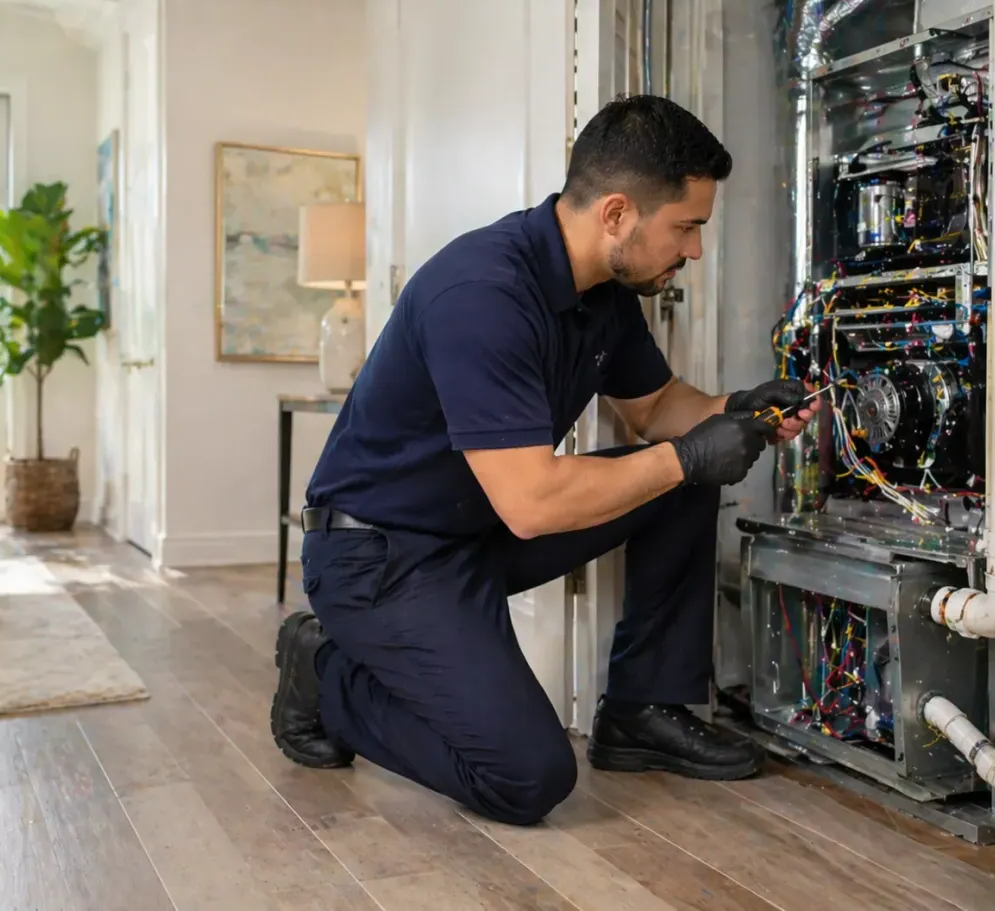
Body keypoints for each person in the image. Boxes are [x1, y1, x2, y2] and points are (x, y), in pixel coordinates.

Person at [270, 94, 819, 826]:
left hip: (477, 530)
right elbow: (533, 503)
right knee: (526, 777)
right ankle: (322, 670)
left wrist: (739, 410)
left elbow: (657, 408)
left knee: (682, 478)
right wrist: (690, 455)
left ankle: (641, 711)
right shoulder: (484, 294)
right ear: (617, 213)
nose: (693, 251)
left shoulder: (605, 295)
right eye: (686, 227)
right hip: (378, 556)